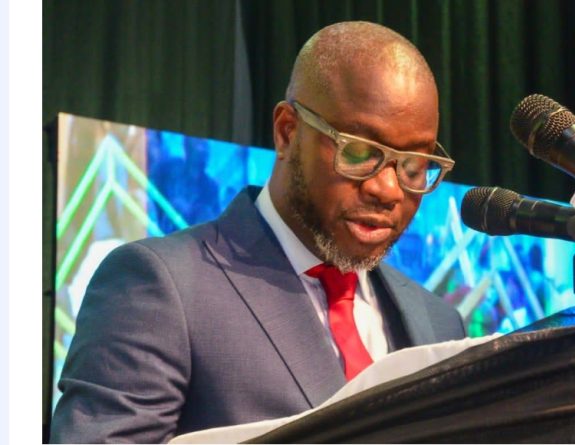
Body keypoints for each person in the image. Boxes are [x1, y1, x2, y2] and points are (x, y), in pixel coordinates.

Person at [50, 21, 466, 443]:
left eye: (414, 165)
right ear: (288, 132)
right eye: (359, 152)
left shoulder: (440, 321)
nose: (388, 189)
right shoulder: (160, 286)